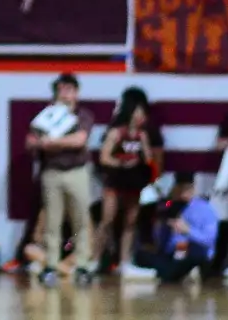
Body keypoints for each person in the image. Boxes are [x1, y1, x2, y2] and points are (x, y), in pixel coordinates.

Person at [29, 73, 96, 282]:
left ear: (76, 93)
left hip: (77, 172)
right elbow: (31, 141)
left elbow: (80, 140)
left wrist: (51, 142)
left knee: (81, 219)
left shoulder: (82, 115)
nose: (66, 94)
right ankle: (50, 265)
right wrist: (43, 142)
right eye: (62, 89)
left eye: (70, 89)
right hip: (52, 172)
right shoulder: (45, 116)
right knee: (51, 220)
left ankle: (83, 265)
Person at [93, 101, 156, 273]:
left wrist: (143, 161)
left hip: (133, 181)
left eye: (143, 114)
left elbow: (149, 159)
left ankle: (125, 261)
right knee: (107, 220)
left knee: (130, 222)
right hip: (115, 180)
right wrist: (122, 162)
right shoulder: (116, 132)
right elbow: (104, 157)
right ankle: (94, 260)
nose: (141, 116)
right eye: (138, 112)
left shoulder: (142, 135)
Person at [125, 176, 218, 282]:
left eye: (185, 189)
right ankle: (169, 270)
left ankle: (168, 272)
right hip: (172, 251)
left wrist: (188, 230)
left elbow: (209, 239)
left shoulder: (205, 208)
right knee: (142, 255)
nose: (182, 193)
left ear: (192, 189)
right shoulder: (172, 204)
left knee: (178, 261)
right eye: (179, 189)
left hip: (194, 250)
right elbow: (163, 205)